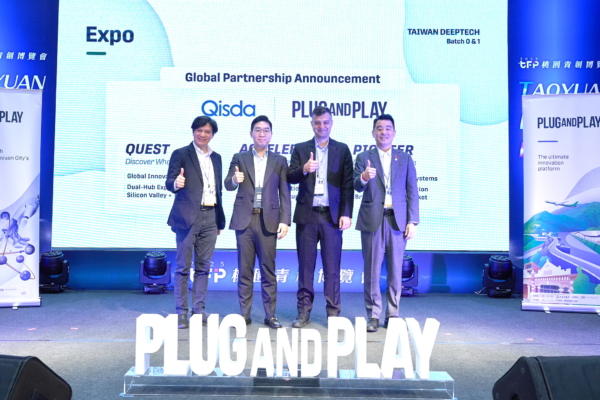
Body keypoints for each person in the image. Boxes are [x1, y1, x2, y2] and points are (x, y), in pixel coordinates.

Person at [287, 106, 354, 328]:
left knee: (332, 267)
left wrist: (346, 213)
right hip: (307, 216)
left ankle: (333, 312)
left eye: (325, 122)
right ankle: (303, 312)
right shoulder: (301, 148)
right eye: (317, 122)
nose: (322, 126)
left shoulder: (342, 150)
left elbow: (347, 185)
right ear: (312, 124)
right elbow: (290, 176)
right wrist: (304, 169)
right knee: (305, 267)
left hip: (331, 217)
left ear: (331, 123)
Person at [353, 114, 419, 332]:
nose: (384, 132)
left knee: (395, 270)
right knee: (372, 270)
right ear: (373, 133)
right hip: (372, 220)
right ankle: (373, 315)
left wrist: (413, 221)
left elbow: (412, 191)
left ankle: (393, 314)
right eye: (379, 128)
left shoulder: (405, 158)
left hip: (397, 221)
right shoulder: (364, 157)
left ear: (394, 132)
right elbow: (356, 185)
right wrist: (364, 177)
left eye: (388, 128)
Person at [225, 115, 291, 329]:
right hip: (244, 220)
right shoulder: (239, 157)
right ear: (251, 133)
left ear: (271, 134)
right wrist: (234, 180)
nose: (262, 134)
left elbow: (285, 192)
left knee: (268, 271)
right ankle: (244, 315)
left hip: (269, 221)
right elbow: (227, 184)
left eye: (266, 130)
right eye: (258, 130)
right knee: (245, 270)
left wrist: (285, 220)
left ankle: (270, 315)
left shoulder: (280, 160)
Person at [165, 116, 226, 329]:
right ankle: (181, 312)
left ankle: (199, 310)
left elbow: (218, 190)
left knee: (203, 268)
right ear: (193, 131)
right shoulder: (181, 154)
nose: (203, 134)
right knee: (183, 267)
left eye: (207, 131)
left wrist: (219, 220)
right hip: (187, 217)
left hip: (211, 216)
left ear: (212, 135)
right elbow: (169, 182)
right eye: (199, 130)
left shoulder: (217, 158)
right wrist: (176, 182)